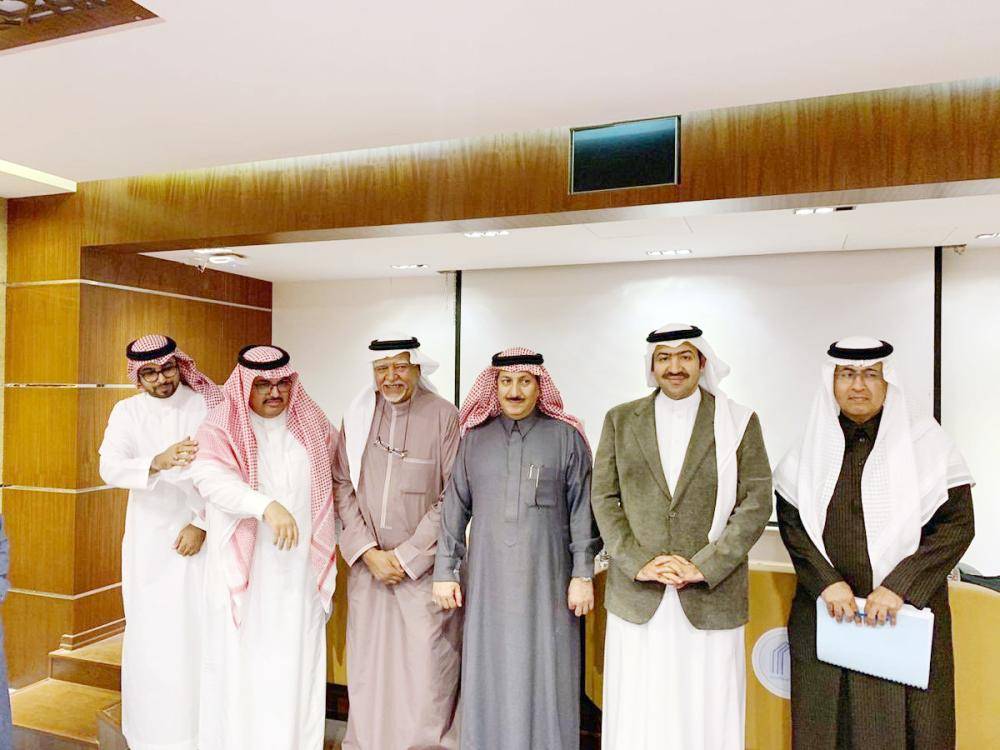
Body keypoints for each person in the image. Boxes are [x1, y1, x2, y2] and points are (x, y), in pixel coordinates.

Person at [775, 337, 975, 749]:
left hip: (905, 615)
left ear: (889, 382)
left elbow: (957, 526)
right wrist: (827, 582)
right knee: (825, 730)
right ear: (832, 382)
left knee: (912, 729)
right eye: (847, 374)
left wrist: (898, 587)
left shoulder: (927, 446)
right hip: (828, 613)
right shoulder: (809, 448)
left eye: (870, 375)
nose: (857, 385)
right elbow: (793, 527)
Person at [591, 324, 772, 750]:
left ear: (702, 362)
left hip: (710, 594)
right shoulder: (620, 420)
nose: (675, 367)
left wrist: (704, 565)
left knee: (706, 709)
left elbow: (756, 501)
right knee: (640, 708)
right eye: (665, 358)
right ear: (652, 366)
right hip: (639, 594)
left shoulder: (738, 421)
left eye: (685, 356)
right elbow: (604, 497)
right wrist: (637, 562)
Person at [433, 347, 600, 750]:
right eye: (506, 381)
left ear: (539, 386)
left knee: (548, 671)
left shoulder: (566, 438)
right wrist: (444, 571)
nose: (514, 390)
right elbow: (454, 508)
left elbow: (584, 510)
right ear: (494, 386)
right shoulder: (474, 440)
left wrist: (583, 574)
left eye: (524, 381)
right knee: (488, 669)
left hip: (548, 584)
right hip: (487, 585)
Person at [191, 345, 338, 750]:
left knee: (296, 668)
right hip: (246, 577)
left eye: (282, 383)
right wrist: (266, 506)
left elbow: (338, 476)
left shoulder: (311, 424)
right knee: (245, 672)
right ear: (245, 386)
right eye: (263, 385)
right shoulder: (221, 426)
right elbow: (210, 479)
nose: (275, 392)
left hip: (299, 578)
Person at [334, 335, 462, 749]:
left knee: (425, 670)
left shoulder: (443, 416)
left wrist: (406, 557)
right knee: (369, 668)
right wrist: (368, 553)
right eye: (382, 368)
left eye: (400, 367)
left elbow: (454, 495)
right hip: (369, 570)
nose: (391, 377)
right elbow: (341, 485)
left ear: (417, 368)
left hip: (422, 571)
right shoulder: (357, 417)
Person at [98, 334, 222, 750]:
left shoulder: (206, 404)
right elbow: (109, 467)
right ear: (137, 377)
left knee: (197, 630)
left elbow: (229, 469)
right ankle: (154, 734)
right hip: (149, 541)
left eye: (167, 368)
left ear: (179, 365)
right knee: (152, 635)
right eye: (149, 373)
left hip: (201, 536)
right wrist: (157, 461)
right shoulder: (127, 411)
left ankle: (200, 733)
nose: (161, 379)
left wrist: (202, 524)